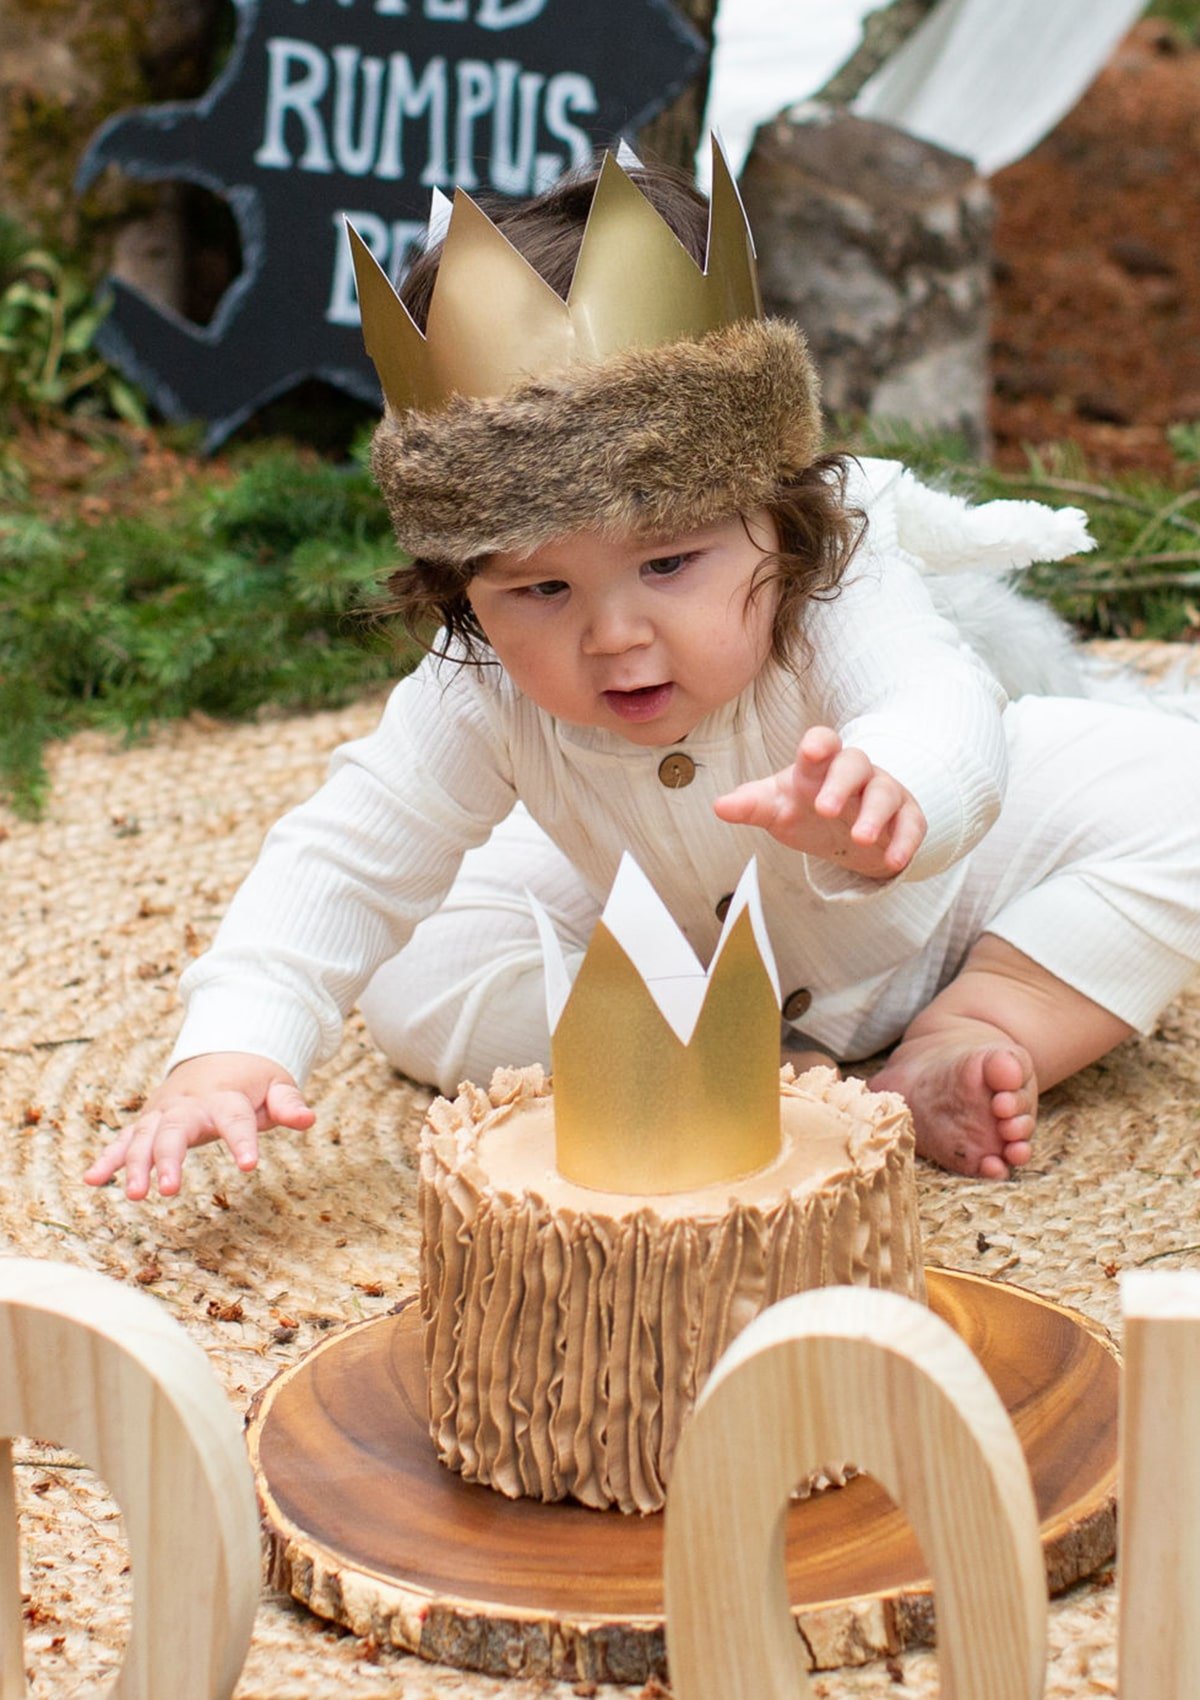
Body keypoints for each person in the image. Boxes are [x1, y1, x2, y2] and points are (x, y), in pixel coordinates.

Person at [85, 151, 1200, 1202]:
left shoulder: (833, 580)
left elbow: (937, 695)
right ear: (460, 585)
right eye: (540, 590)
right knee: (416, 982)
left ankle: (979, 1021)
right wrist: (230, 1047)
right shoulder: (479, 679)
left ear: (779, 509)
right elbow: (348, 850)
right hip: (668, 948)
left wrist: (899, 782)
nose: (615, 636)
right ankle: (763, 1067)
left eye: (669, 562)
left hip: (952, 898)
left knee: (1181, 793)